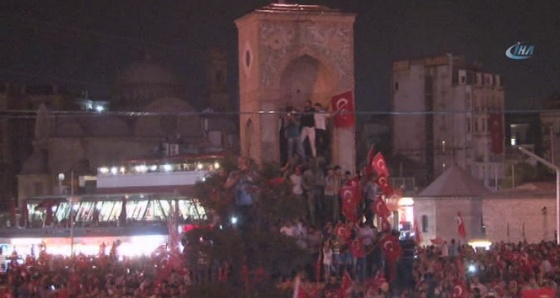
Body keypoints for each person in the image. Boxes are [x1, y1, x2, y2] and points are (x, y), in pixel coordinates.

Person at [225, 156, 257, 230]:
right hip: (239, 204)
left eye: (244, 162)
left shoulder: (252, 173)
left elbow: (258, 182)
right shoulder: (234, 174)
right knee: (241, 226)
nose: (242, 164)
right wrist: (237, 177)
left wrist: (249, 173)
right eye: (241, 162)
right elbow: (227, 185)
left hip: (252, 204)